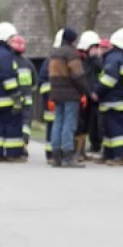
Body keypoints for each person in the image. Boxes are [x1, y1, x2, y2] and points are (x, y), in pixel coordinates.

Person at [47, 27, 93, 168]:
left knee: (58, 122)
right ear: (73, 39)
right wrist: (86, 91)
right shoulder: (72, 54)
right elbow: (78, 75)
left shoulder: (54, 54)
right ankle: (68, 155)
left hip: (56, 92)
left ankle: (56, 155)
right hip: (71, 94)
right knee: (69, 123)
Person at [94, 28, 123, 166]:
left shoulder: (113, 58)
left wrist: (97, 92)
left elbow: (109, 79)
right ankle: (109, 154)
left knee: (117, 129)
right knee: (111, 128)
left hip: (112, 99)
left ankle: (120, 155)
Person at [0, 22, 25, 162]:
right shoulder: (6, 56)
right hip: (7, 98)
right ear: (5, 38)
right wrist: (16, 96)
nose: (12, 41)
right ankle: (13, 154)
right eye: (11, 38)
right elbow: (8, 77)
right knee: (12, 125)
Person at [75, 30, 102, 162]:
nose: (96, 50)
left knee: (86, 125)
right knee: (79, 124)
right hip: (81, 96)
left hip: (90, 97)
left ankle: (82, 150)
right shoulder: (79, 60)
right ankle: (77, 151)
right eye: (94, 47)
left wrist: (96, 58)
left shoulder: (93, 61)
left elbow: (98, 72)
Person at [38, 30, 63, 165]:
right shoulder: (54, 61)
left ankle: (51, 154)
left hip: (49, 99)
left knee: (52, 126)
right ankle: (54, 153)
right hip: (53, 99)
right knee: (56, 125)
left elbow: (40, 82)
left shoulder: (48, 61)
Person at [9, 35, 35, 159]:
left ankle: (14, 148)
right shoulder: (28, 64)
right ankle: (24, 144)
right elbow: (35, 83)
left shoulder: (9, 63)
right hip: (27, 101)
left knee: (14, 123)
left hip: (14, 100)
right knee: (26, 124)